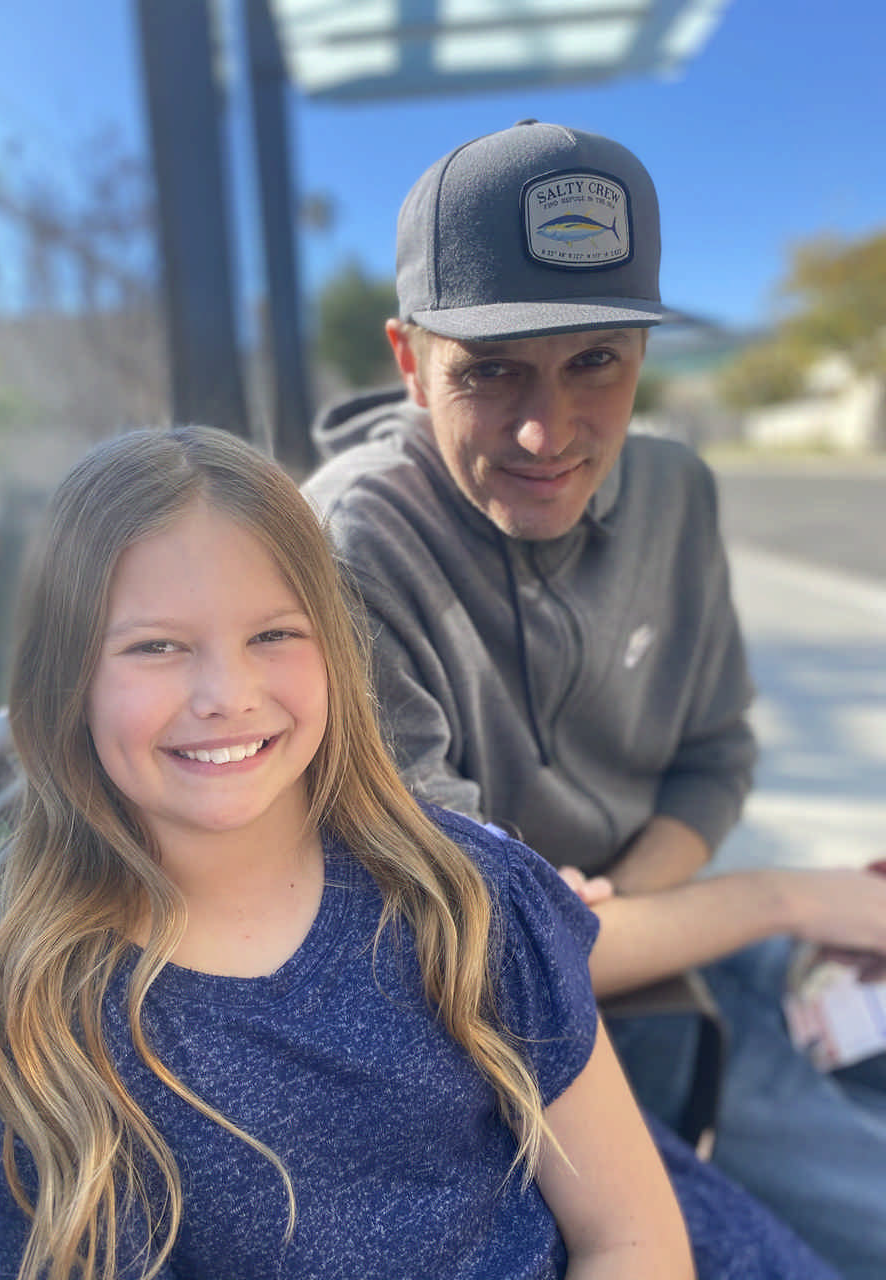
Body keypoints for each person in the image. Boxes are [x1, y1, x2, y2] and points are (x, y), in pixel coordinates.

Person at [303, 120, 886, 1279]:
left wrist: (635, 909)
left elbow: (714, 755)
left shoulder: (676, 490)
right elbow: (480, 957)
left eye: (595, 363)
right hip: (523, 1044)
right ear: (410, 360)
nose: (546, 431)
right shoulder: (346, 548)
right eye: (491, 369)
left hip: (680, 939)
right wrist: (781, 895)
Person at [0, 424, 702, 1279]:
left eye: (273, 635)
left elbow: (631, 1236)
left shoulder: (467, 899)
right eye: (155, 646)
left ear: (334, 648)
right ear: (64, 680)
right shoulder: (24, 1013)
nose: (227, 695)